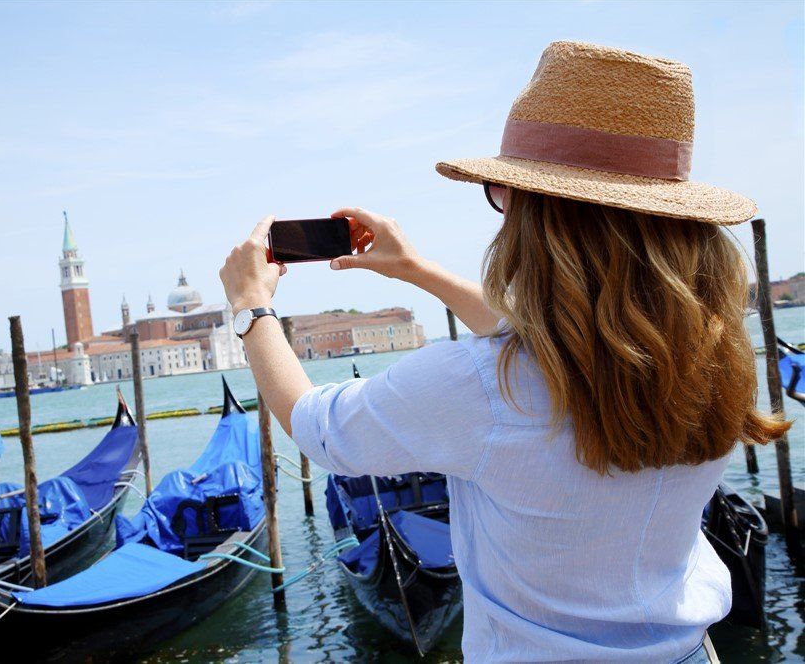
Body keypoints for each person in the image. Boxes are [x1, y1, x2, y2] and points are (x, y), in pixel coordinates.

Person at [218, 41, 790, 662]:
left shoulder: (482, 384)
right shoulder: (710, 355)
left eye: (500, 190)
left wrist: (252, 310)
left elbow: (321, 431)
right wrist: (415, 269)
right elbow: (556, 333)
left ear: (537, 213)